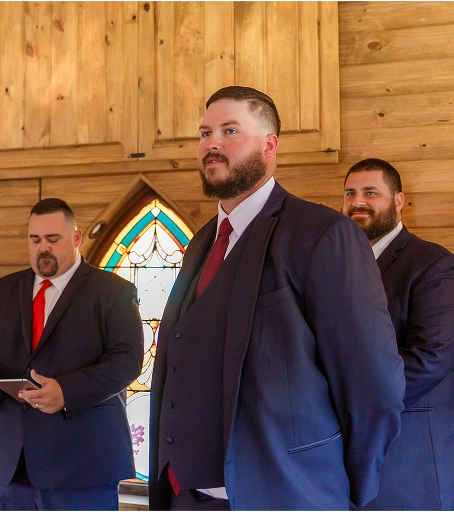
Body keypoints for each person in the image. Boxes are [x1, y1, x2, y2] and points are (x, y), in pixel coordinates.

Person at [148, 86, 405, 511]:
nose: (212, 143)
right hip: (186, 496)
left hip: (284, 494)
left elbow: (373, 383)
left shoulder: (321, 234)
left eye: (230, 131)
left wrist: (345, 489)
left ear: (269, 145)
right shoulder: (200, 244)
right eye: (204, 133)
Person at [0, 198, 144, 510]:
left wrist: (67, 391)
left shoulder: (112, 292)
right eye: (35, 240)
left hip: (82, 460)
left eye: (53, 240)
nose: (43, 248)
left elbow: (127, 361)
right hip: (12, 460)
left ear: (76, 238)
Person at [341, 158, 454, 510]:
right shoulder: (337, 263)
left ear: (398, 201)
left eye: (371, 192)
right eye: (350, 193)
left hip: (416, 454)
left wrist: (351, 404)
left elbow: (429, 358)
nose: (357, 201)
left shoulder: (433, 264)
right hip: (350, 449)